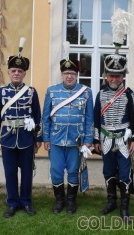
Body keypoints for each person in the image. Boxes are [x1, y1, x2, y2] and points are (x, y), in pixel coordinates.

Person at [0, 39, 42, 218]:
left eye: (20, 71)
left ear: (24, 73)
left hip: (27, 139)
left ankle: (26, 202)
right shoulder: (1, 92)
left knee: (27, 174)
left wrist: (38, 139)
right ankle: (12, 202)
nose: (16, 73)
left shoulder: (31, 92)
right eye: (13, 70)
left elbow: (37, 116)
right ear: (9, 72)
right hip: (7, 138)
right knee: (10, 173)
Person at [42, 50, 94, 214]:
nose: (69, 76)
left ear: (77, 75)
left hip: (76, 140)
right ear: (62, 74)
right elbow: (45, 118)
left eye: (72, 73)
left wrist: (88, 139)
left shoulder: (86, 92)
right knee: (56, 171)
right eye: (66, 73)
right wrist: (46, 138)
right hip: (56, 139)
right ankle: (59, 200)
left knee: (73, 171)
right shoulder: (52, 91)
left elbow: (89, 118)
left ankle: (71, 201)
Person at [93, 52, 134, 223]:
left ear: (123, 77)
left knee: (125, 173)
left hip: (123, 140)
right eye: (111, 75)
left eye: (118, 76)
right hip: (106, 139)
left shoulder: (129, 94)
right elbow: (96, 119)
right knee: (108, 171)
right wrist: (96, 140)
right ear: (106, 76)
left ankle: (124, 207)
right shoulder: (100, 95)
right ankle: (111, 202)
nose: (114, 79)